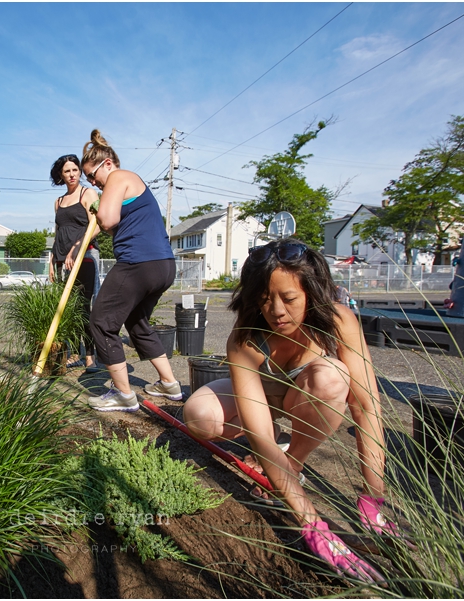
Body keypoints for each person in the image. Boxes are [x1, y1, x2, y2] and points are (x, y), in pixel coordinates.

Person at [182, 238, 394, 582]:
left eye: (289, 298)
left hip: (308, 393)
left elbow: (366, 407)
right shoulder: (246, 338)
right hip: (264, 395)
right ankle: (283, 462)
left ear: (311, 291)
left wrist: (374, 501)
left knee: (333, 378)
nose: (277, 311)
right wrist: (312, 525)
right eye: (265, 300)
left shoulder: (339, 321)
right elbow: (260, 435)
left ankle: (293, 460)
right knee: (198, 417)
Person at [81, 129, 182, 411]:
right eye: (88, 179)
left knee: (101, 322)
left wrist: (97, 210)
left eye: (92, 175)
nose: (92, 182)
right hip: (163, 265)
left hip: (139, 263)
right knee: (137, 323)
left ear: (108, 163)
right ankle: (170, 384)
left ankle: (124, 396)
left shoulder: (118, 177)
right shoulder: (130, 184)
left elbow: (109, 220)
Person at [48, 154, 101, 372]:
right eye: (67, 171)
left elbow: (97, 224)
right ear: (61, 174)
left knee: (83, 308)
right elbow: (59, 232)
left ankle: (90, 357)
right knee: (66, 309)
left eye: (75, 170)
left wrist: (77, 247)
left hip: (84, 257)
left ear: (80, 172)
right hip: (62, 260)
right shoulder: (58, 202)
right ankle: (72, 355)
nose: (72, 174)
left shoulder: (88, 194)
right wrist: (52, 260)